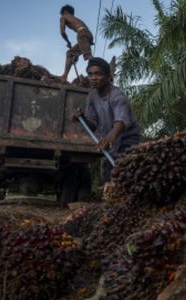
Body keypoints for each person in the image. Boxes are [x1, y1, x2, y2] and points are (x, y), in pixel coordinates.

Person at [73, 57, 140, 185]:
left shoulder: (117, 95)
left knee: (123, 174)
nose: (93, 78)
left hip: (127, 141)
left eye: (98, 74)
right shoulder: (92, 96)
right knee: (107, 179)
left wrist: (109, 138)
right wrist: (82, 119)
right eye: (90, 74)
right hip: (112, 143)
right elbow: (92, 123)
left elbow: (121, 121)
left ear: (108, 76)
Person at [59, 4, 94, 82]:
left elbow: (62, 32)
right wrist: (77, 54)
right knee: (70, 53)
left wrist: (68, 42)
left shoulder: (64, 17)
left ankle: (98, 72)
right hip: (88, 34)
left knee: (88, 56)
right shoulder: (76, 19)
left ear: (65, 11)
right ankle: (65, 75)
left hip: (81, 33)